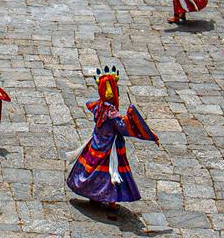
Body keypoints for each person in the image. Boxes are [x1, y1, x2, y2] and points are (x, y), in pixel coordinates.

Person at [65, 65, 159, 210]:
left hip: (96, 144)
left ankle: (93, 195)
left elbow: (89, 104)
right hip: (110, 147)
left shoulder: (98, 107)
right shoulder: (112, 114)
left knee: (93, 169)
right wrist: (134, 121)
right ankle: (111, 201)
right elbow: (124, 128)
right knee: (111, 172)